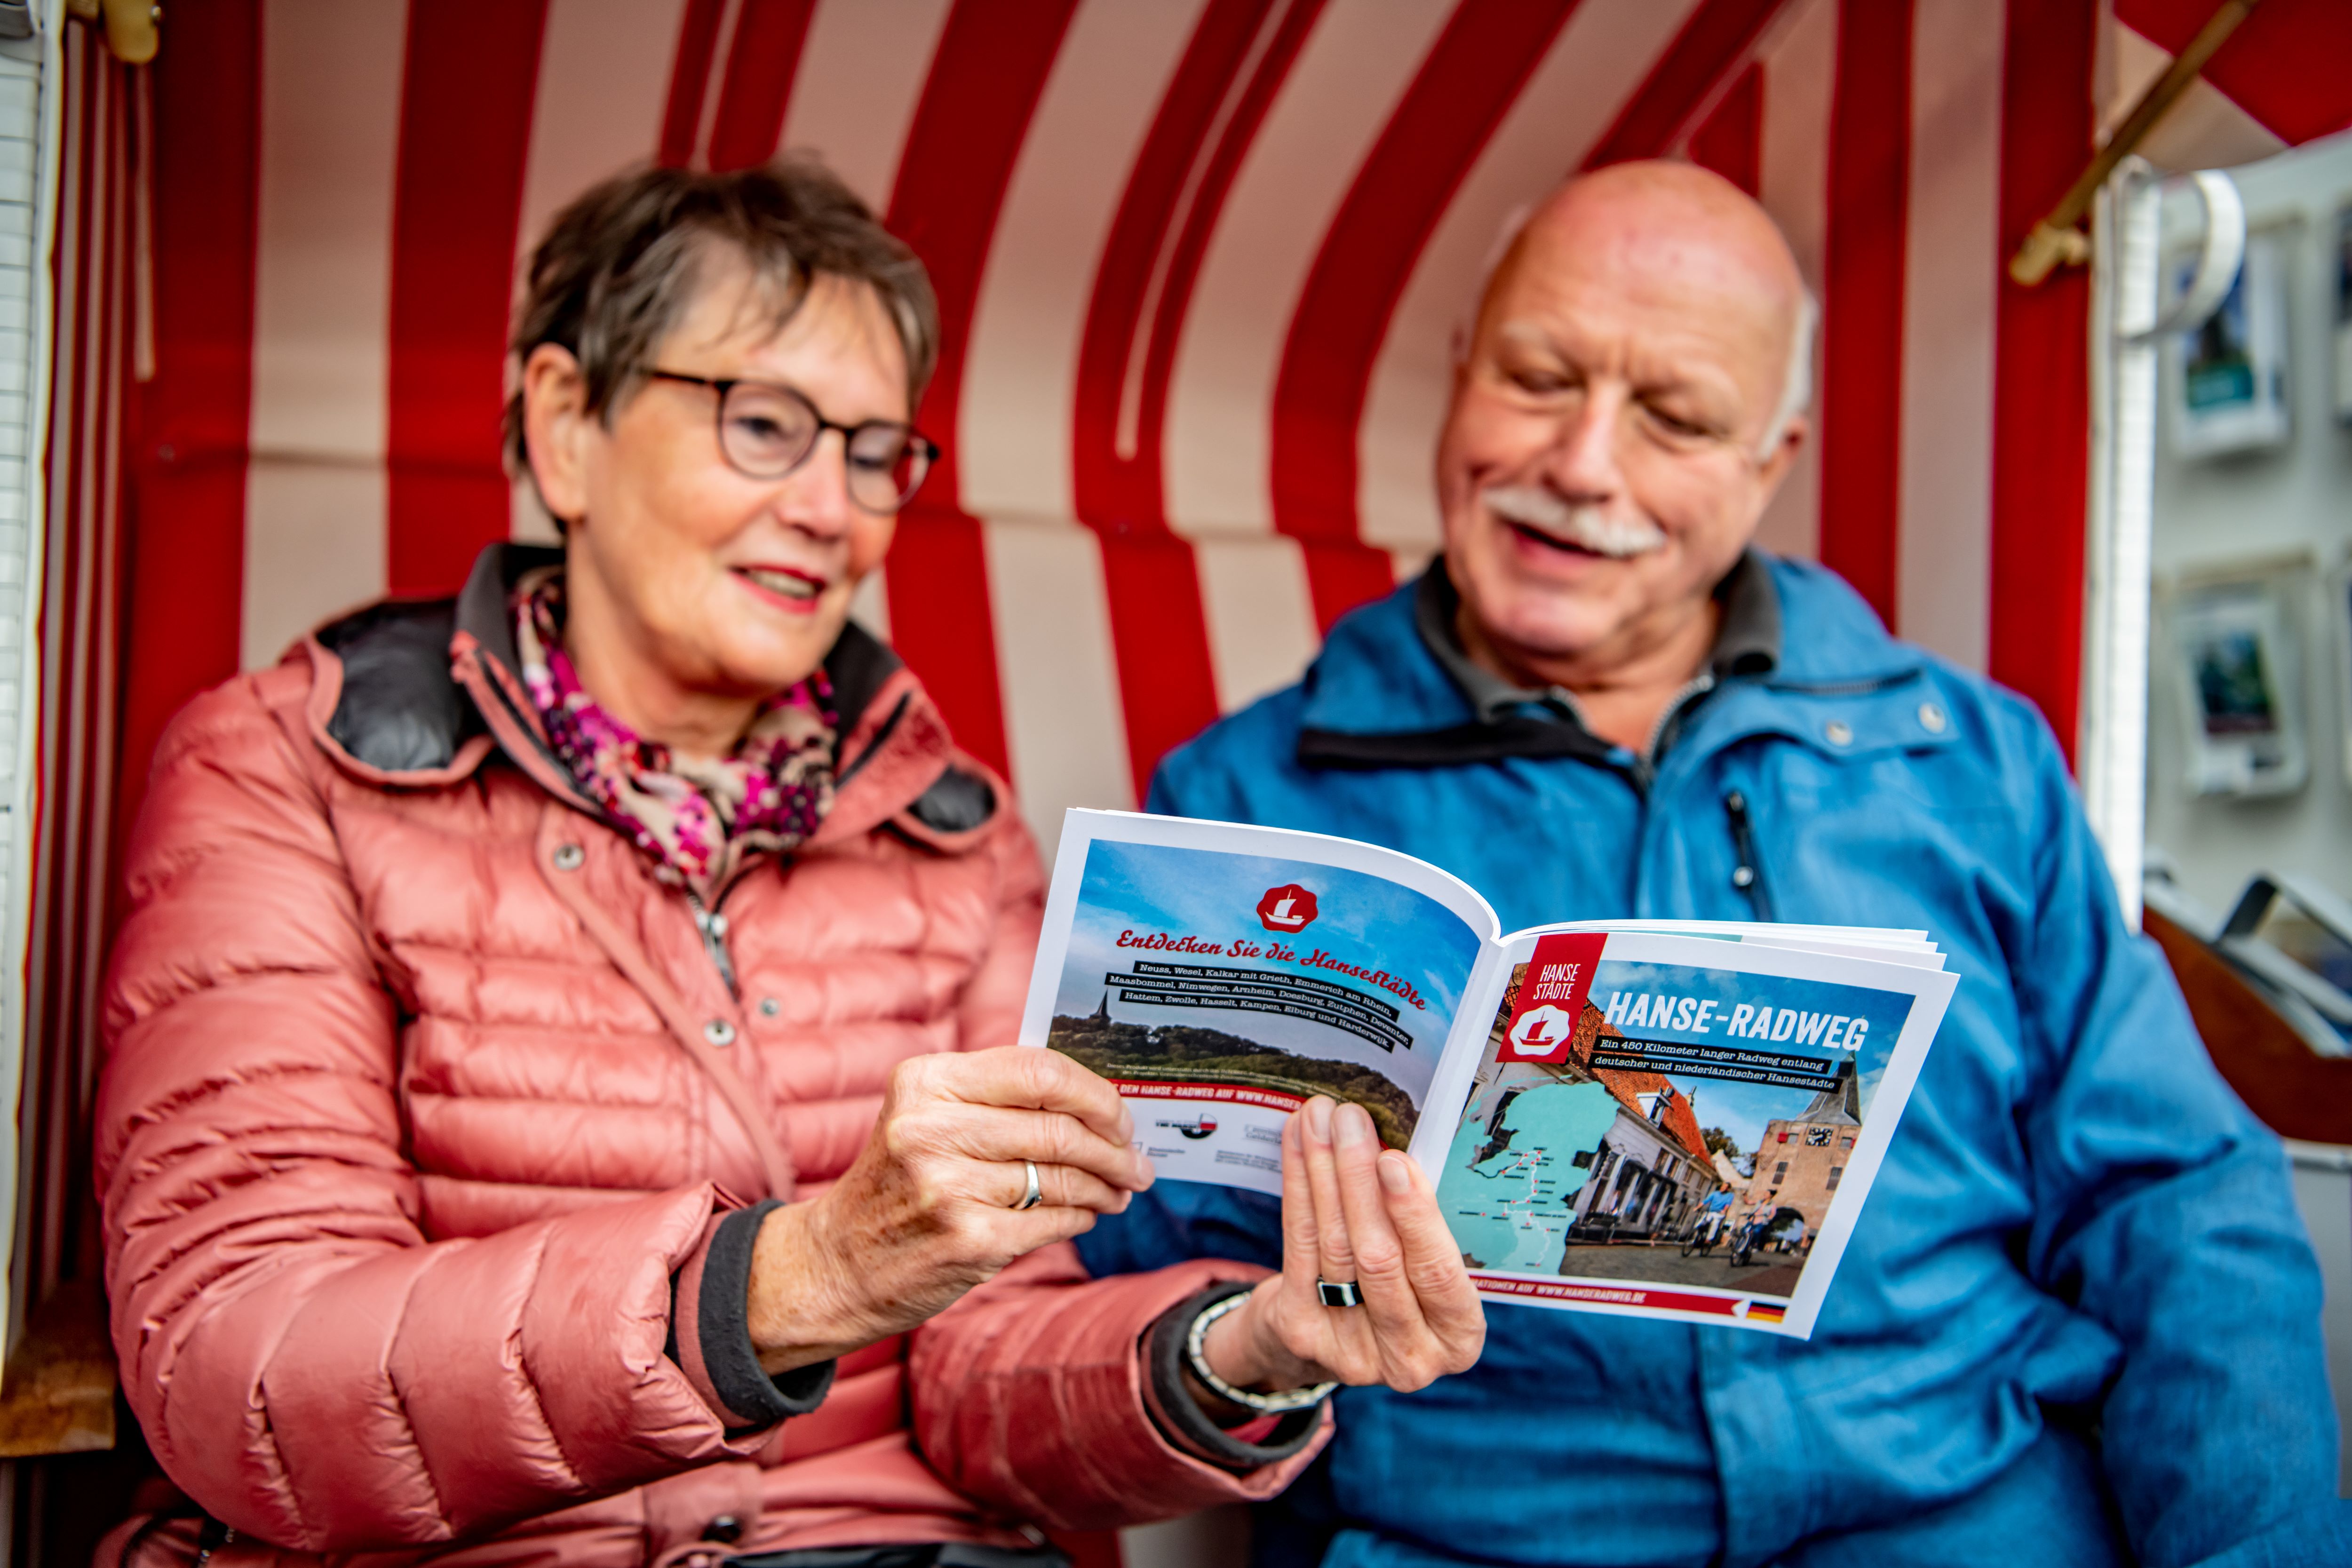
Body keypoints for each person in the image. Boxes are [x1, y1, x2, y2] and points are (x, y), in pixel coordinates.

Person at [94, 160, 1478, 1568]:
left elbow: (981, 1370)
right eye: (765, 425)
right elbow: (243, 1371)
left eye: (875, 454)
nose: (834, 510)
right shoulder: (289, 770)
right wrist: (798, 1279)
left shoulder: (955, 833)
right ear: (567, 427)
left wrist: (1242, 1350)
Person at [1069, 161, 2347, 1566]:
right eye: (1538, 378)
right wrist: (1268, 1284)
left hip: (1963, 1508)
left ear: (1771, 460)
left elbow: (2176, 1195)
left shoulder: (1975, 764)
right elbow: (1143, 1265)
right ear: (1462, 367)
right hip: (1481, 1533)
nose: (1583, 464)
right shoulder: (1240, 800)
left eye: (1674, 418)